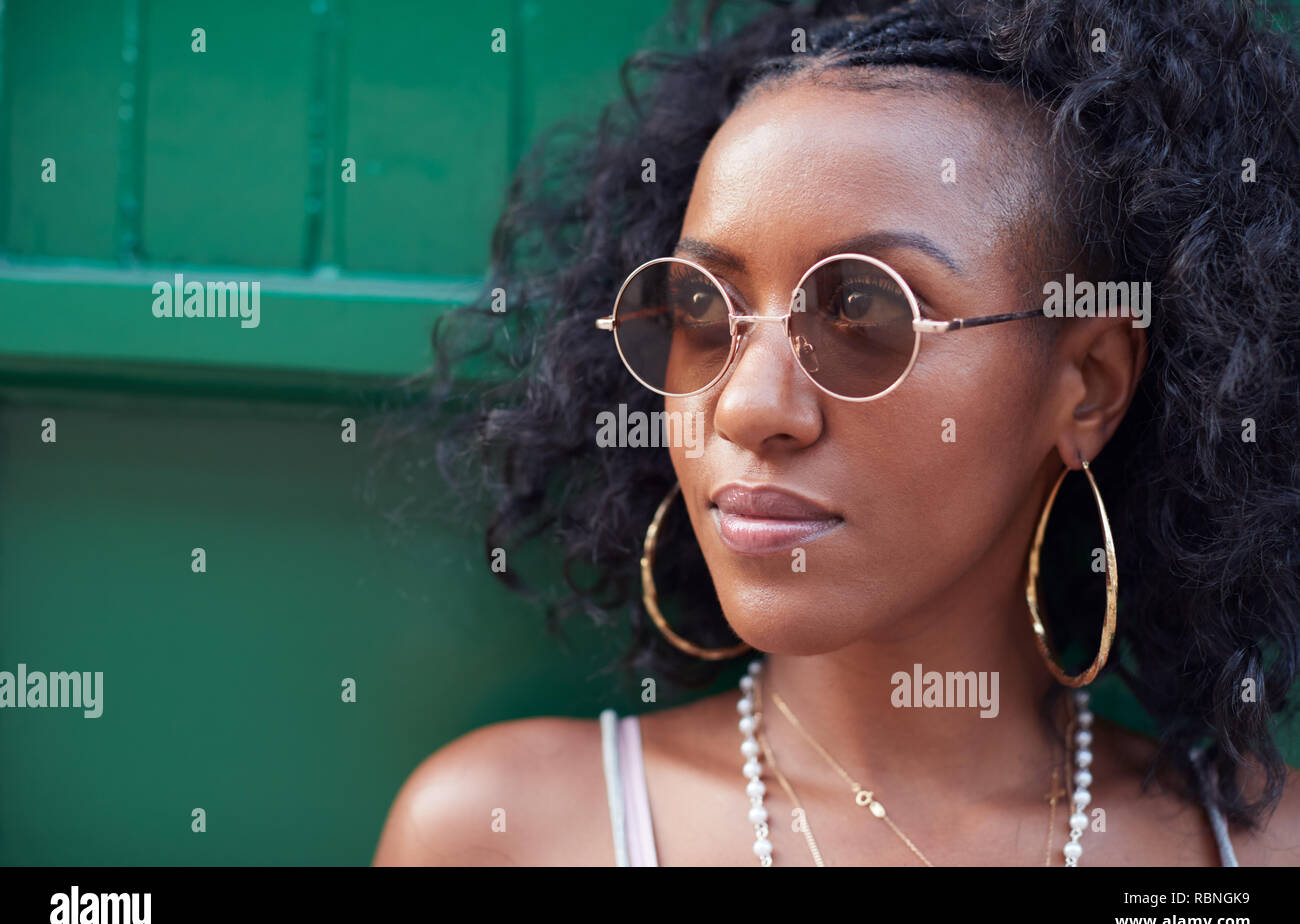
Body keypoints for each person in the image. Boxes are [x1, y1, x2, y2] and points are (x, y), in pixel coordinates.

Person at [373, 0, 1300, 865]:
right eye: (702, 307)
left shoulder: (1246, 853)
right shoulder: (508, 832)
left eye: (863, 310)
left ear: (1087, 388)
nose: (748, 407)